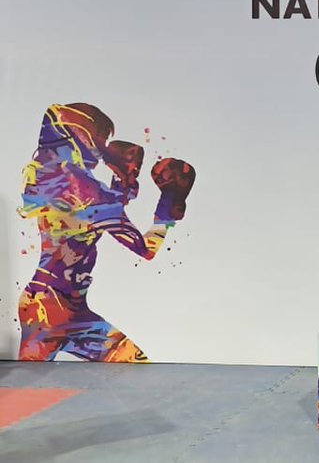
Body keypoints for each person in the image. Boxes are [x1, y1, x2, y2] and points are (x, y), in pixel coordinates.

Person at [18, 103, 196, 362]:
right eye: (99, 141)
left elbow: (95, 212)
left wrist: (123, 183)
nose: (102, 151)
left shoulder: (45, 180)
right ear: (82, 138)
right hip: (52, 312)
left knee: (135, 368)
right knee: (26, 392)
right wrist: (169, 204)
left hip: (56, 308)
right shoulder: (90, 193)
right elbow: (146, 249)